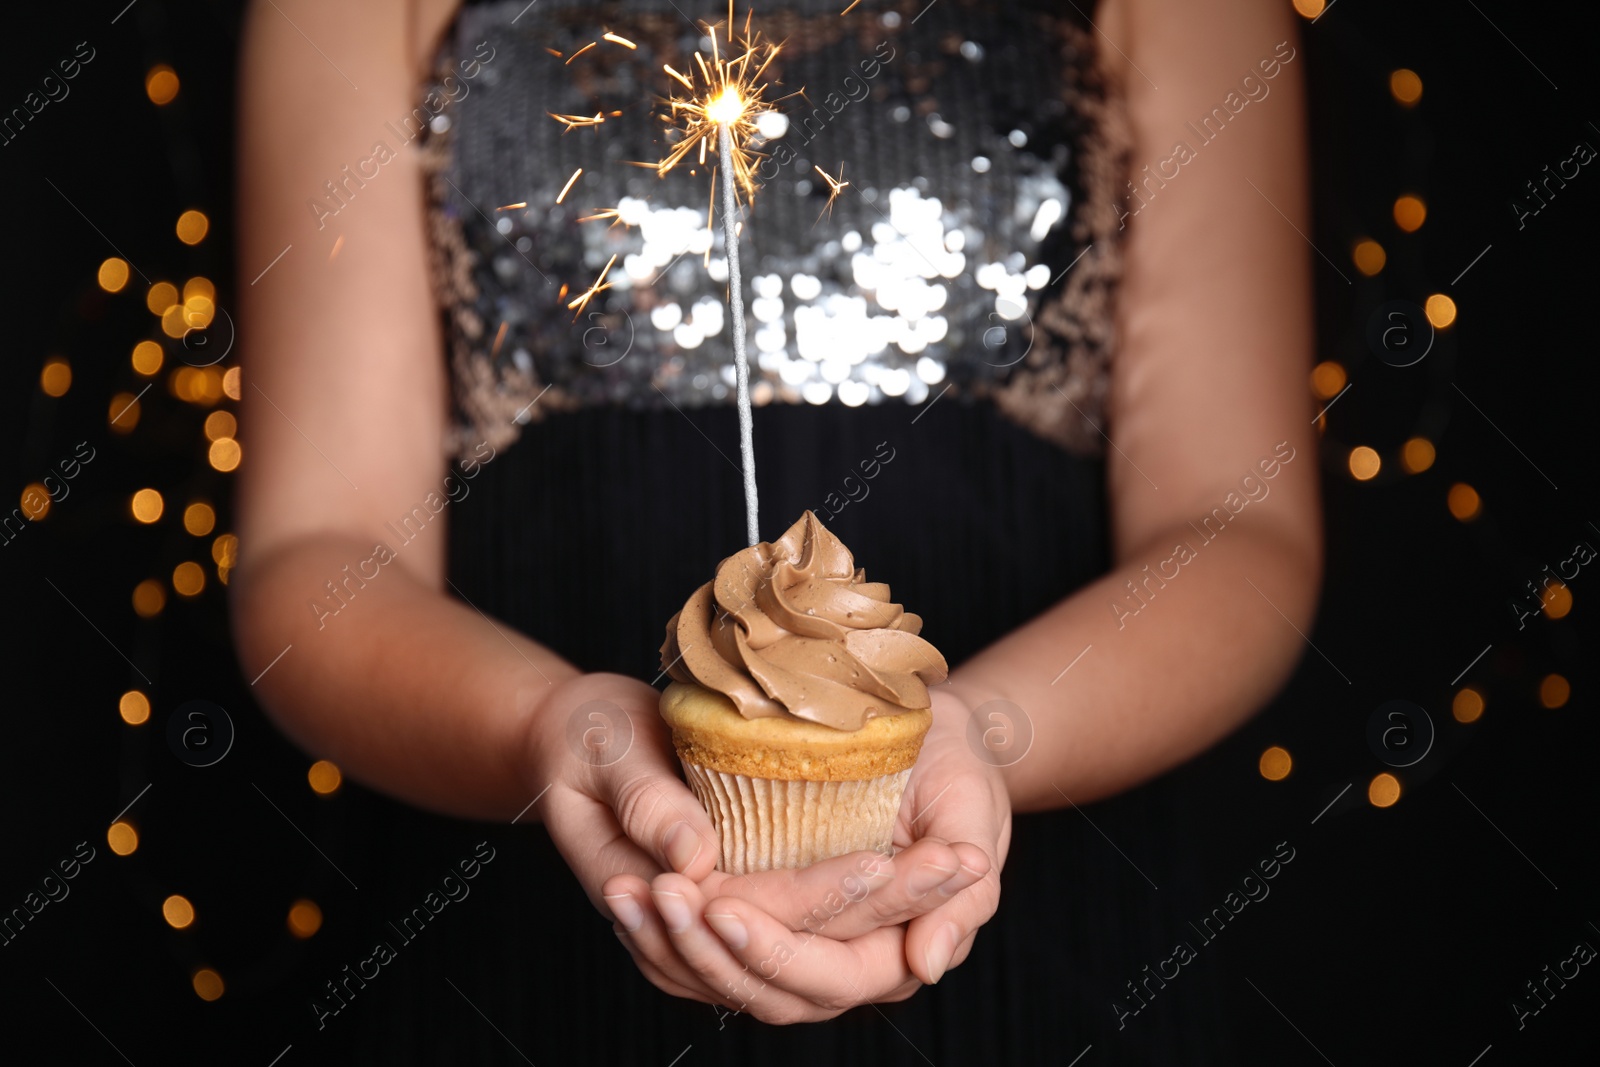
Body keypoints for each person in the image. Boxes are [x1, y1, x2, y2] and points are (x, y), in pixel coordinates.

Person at [233, 0, 1319, 1059]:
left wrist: (984, 735)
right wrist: (545, 733)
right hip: (512, 958)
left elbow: (1237, 526)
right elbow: (318, 555)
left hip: (1059, 944)